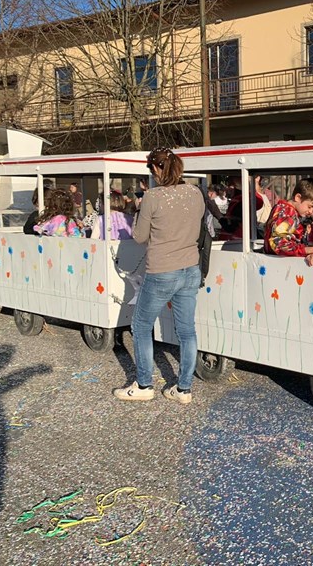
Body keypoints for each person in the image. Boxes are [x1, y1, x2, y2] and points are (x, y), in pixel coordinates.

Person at [113, 147, 204, 405]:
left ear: (155, 168)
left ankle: (144, 384)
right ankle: (183, 389)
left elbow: (139, 236)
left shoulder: (152, 197)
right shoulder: (195, 192)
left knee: (141, 326)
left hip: (163, 269)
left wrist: (139, 211)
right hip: (190, 268)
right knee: (186, 330)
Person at [262, 177, 313, 256]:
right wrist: (303, 250)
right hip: (278, 260)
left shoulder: (285, 210)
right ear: (298, 198)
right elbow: (278, 242)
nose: (311, 211)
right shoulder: (288, 213)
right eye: (309, 207)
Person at [218, 175, 264, 240]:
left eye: (230, 185)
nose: (227, 188)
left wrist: (217, 214)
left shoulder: (244, 199)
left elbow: (231, 226)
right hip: (235, 239)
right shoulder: (239, 198)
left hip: (236, 240)